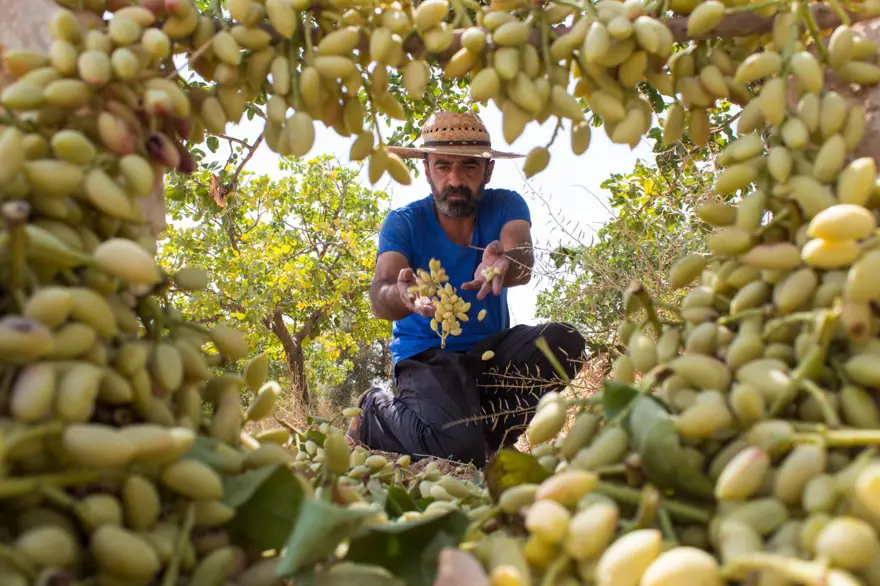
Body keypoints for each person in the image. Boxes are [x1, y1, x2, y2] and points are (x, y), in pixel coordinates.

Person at [346, 111, 586, 467]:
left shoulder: (506, 205)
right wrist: (402, 295)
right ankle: (373, 413)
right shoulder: (404, 222)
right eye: (443, 167)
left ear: (487, 171)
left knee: (565, 343)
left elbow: (522, 256)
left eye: (469, 167)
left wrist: (505, 262)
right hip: (427, 358)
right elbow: (381, 292)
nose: (454, 179)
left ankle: (495, 439)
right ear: (426, 169)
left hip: (488, 356)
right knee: (458, 450)